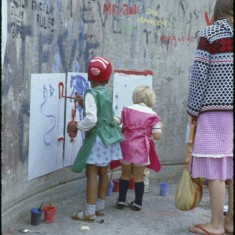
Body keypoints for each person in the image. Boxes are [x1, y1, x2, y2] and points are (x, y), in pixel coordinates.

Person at [187, 0, 233, 234]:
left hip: (216, 111)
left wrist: (193, 111)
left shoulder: (212, 33)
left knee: (216, 168)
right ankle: (231, 222)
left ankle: (215, 224)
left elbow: (199, 76)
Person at [70, 56, 124, 222]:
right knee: (103, 171)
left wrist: (77, 126)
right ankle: (100, 207)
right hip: (108, 138)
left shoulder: (90, 93)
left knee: (91, 172)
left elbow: (92, 119)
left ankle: (89, 212)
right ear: (107, 79)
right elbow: (100, 113)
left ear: (88, 76)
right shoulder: (104, 92)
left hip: (97, 139)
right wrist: (82, 104)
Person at [114, 85, 162, 211]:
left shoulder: (126, 110)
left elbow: (114, 122)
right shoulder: (153, 115)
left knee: (125, 174)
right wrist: (160, 127)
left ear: (135, 97)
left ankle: (121, 200)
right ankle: (137, 203)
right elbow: (157, 136)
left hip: (125, 145)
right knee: (139, 177)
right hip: (141, 148)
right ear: (151, 100)